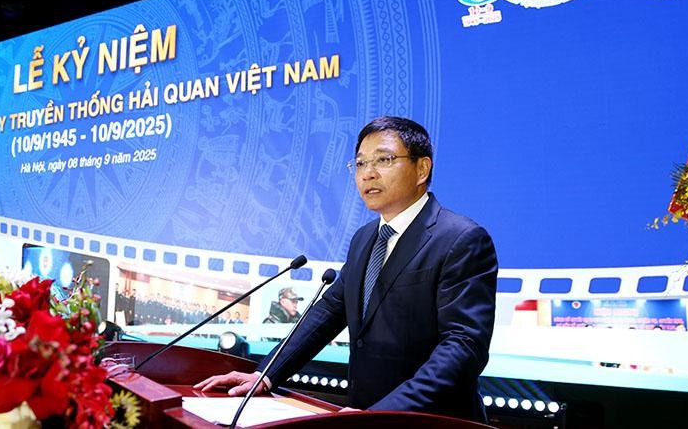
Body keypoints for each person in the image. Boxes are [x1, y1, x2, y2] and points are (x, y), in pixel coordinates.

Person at [195, 116, 497, 422]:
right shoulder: (365, 238)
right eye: (361, 163)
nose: (368, 173)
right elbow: (330, 311)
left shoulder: (460, 239)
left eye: (384, 160)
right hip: (360, 413)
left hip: (428, 420)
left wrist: (383, 415)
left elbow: (464, 345)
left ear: (422, 169)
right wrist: (266, 374)